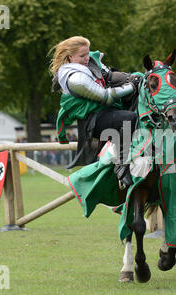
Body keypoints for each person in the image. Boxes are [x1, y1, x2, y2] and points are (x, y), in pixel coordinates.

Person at [49, 36, 142, 188]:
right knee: (130, 118)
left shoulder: (91, 62)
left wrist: (132, 77)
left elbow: (109, 76)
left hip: (108, 112)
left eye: (87, 53)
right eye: (82, 56)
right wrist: (131, 86)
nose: (87, 58)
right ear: (70, 57)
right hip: (93, 121)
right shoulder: (74, 79)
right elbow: (106, 97)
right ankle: (121, 165)